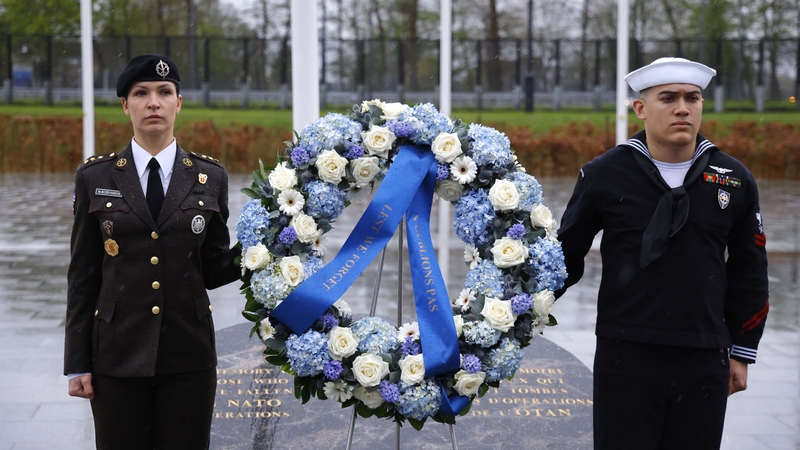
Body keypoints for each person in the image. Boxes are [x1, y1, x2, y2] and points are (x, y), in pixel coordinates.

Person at [556, 57, 770, 449]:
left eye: (693, 98)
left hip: (703, 354)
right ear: (641, 108)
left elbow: (750, 269)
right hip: (627, 353)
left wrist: (742, 350)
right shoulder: (604, 174)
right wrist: (514, 306)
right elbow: (564, 257)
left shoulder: (734, 178)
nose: (682, 108)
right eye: (668, 98)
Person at [64, 54, 241, 449]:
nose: (154, 102)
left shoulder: (209, 176)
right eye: (141, 93)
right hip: (116, 355)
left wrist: (262, 252)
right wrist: (77, 362)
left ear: (179, 102)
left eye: (165, 92)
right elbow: (83, 274)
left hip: (189, 356)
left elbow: (212, 268)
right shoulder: (96, 176)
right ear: (126, 105)